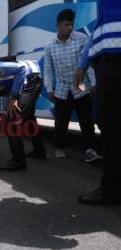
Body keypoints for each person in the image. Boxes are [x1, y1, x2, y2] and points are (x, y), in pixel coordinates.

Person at [74, 0, 121, 205]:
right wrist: (82, 64)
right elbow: (98, 29)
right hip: (106, 66)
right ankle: (111, 189)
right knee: (107, 127)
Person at [44, 9, 101, 162]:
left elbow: (87, 65)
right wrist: (49, 89)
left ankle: (90, 149)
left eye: (71, 24)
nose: (70, 27)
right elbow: (48, 70)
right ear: (58, 25)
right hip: (62, 88)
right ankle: (59, 147)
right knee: (61, 119)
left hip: (81, 85)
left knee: (86, 118)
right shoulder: (50, 46)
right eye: (66, 24)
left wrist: (94, 84)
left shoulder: (81, 39)